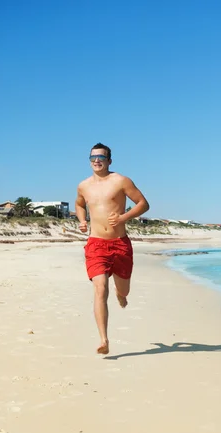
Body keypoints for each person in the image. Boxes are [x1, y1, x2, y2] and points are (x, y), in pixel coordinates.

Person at [75, 143, 150, 355]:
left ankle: (122, 294)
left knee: (122, 289)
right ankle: (103, 340)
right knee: (100, 288)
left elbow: (143, 204)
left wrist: (123, 217)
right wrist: (82, 220)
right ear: (89, 160)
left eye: (101, 157)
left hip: (120, 243)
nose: (96, 160)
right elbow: (79, 204)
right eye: (93, 157)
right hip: (96, 244)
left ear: (109, 160)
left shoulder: (121, 181)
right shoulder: (83, 186)